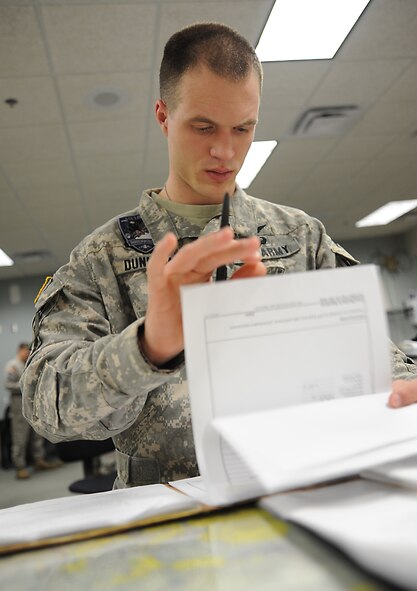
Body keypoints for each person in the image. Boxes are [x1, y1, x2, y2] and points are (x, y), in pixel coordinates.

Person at [21, 23, 417, 489]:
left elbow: (375, 356)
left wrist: (398, 388)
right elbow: (48, 406)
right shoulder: (101, 258)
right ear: (164, 116)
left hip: (301, 496)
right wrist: (147, 347)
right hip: (167, 515)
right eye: (203, 127)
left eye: (243, 128)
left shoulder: (299, 235)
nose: (225, 151)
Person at [4, 343, 61, 479]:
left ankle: (39, 460)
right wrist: (27, 384)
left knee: (37, 433)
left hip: (34, 401)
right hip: (19, 402)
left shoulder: (29, 363)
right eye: (26, 351)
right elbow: (8, 385)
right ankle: (20, 466)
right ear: (20, 350)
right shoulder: (13, 365)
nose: (28, 353)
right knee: (20, 436)